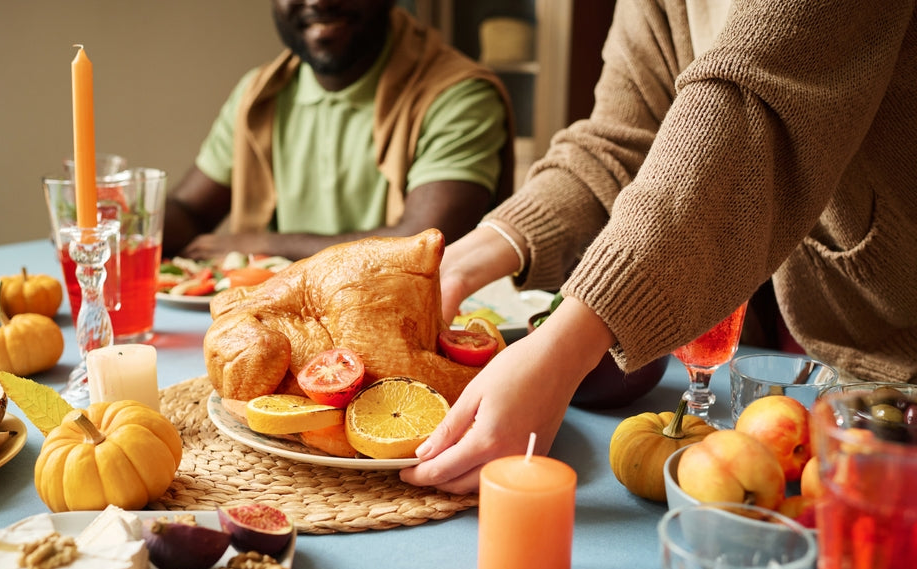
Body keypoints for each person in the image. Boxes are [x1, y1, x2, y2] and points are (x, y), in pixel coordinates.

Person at [399, 0, 917, 494]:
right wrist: (459, 265)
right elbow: (620, 140)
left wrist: (560, 353)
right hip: (810, 353)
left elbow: (749, 106)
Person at [163, 0, 515, 261]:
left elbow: (424, 244)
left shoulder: (458, 95)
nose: (318, 2)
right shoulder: (259, 94)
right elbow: (190, 210)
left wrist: (264, 245)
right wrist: (124, 221)